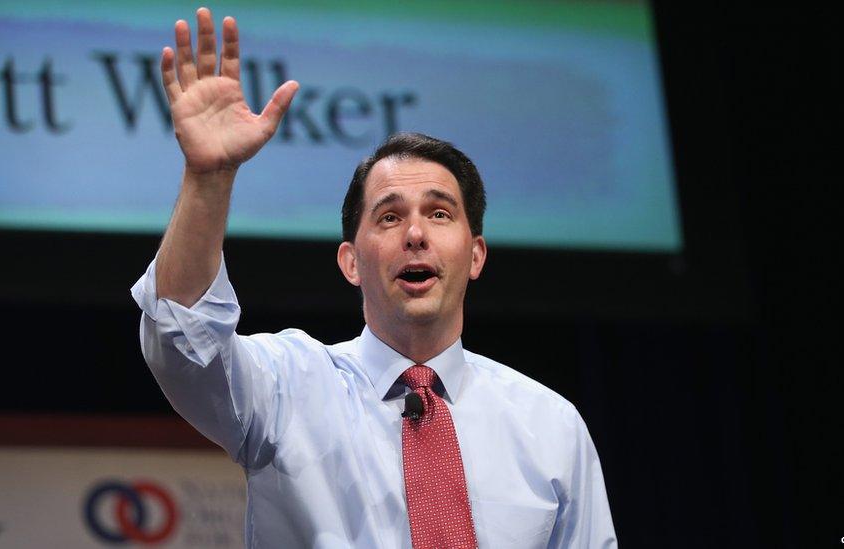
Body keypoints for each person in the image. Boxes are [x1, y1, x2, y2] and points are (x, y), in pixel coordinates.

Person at [131, 7, 617, 548]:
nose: (415, 234)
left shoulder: (551, 425)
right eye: (389, 216)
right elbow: (182, 342)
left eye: (439, 213)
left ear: (475, 255)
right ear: (351, 262)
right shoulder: (288, 388)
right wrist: (208, 179)